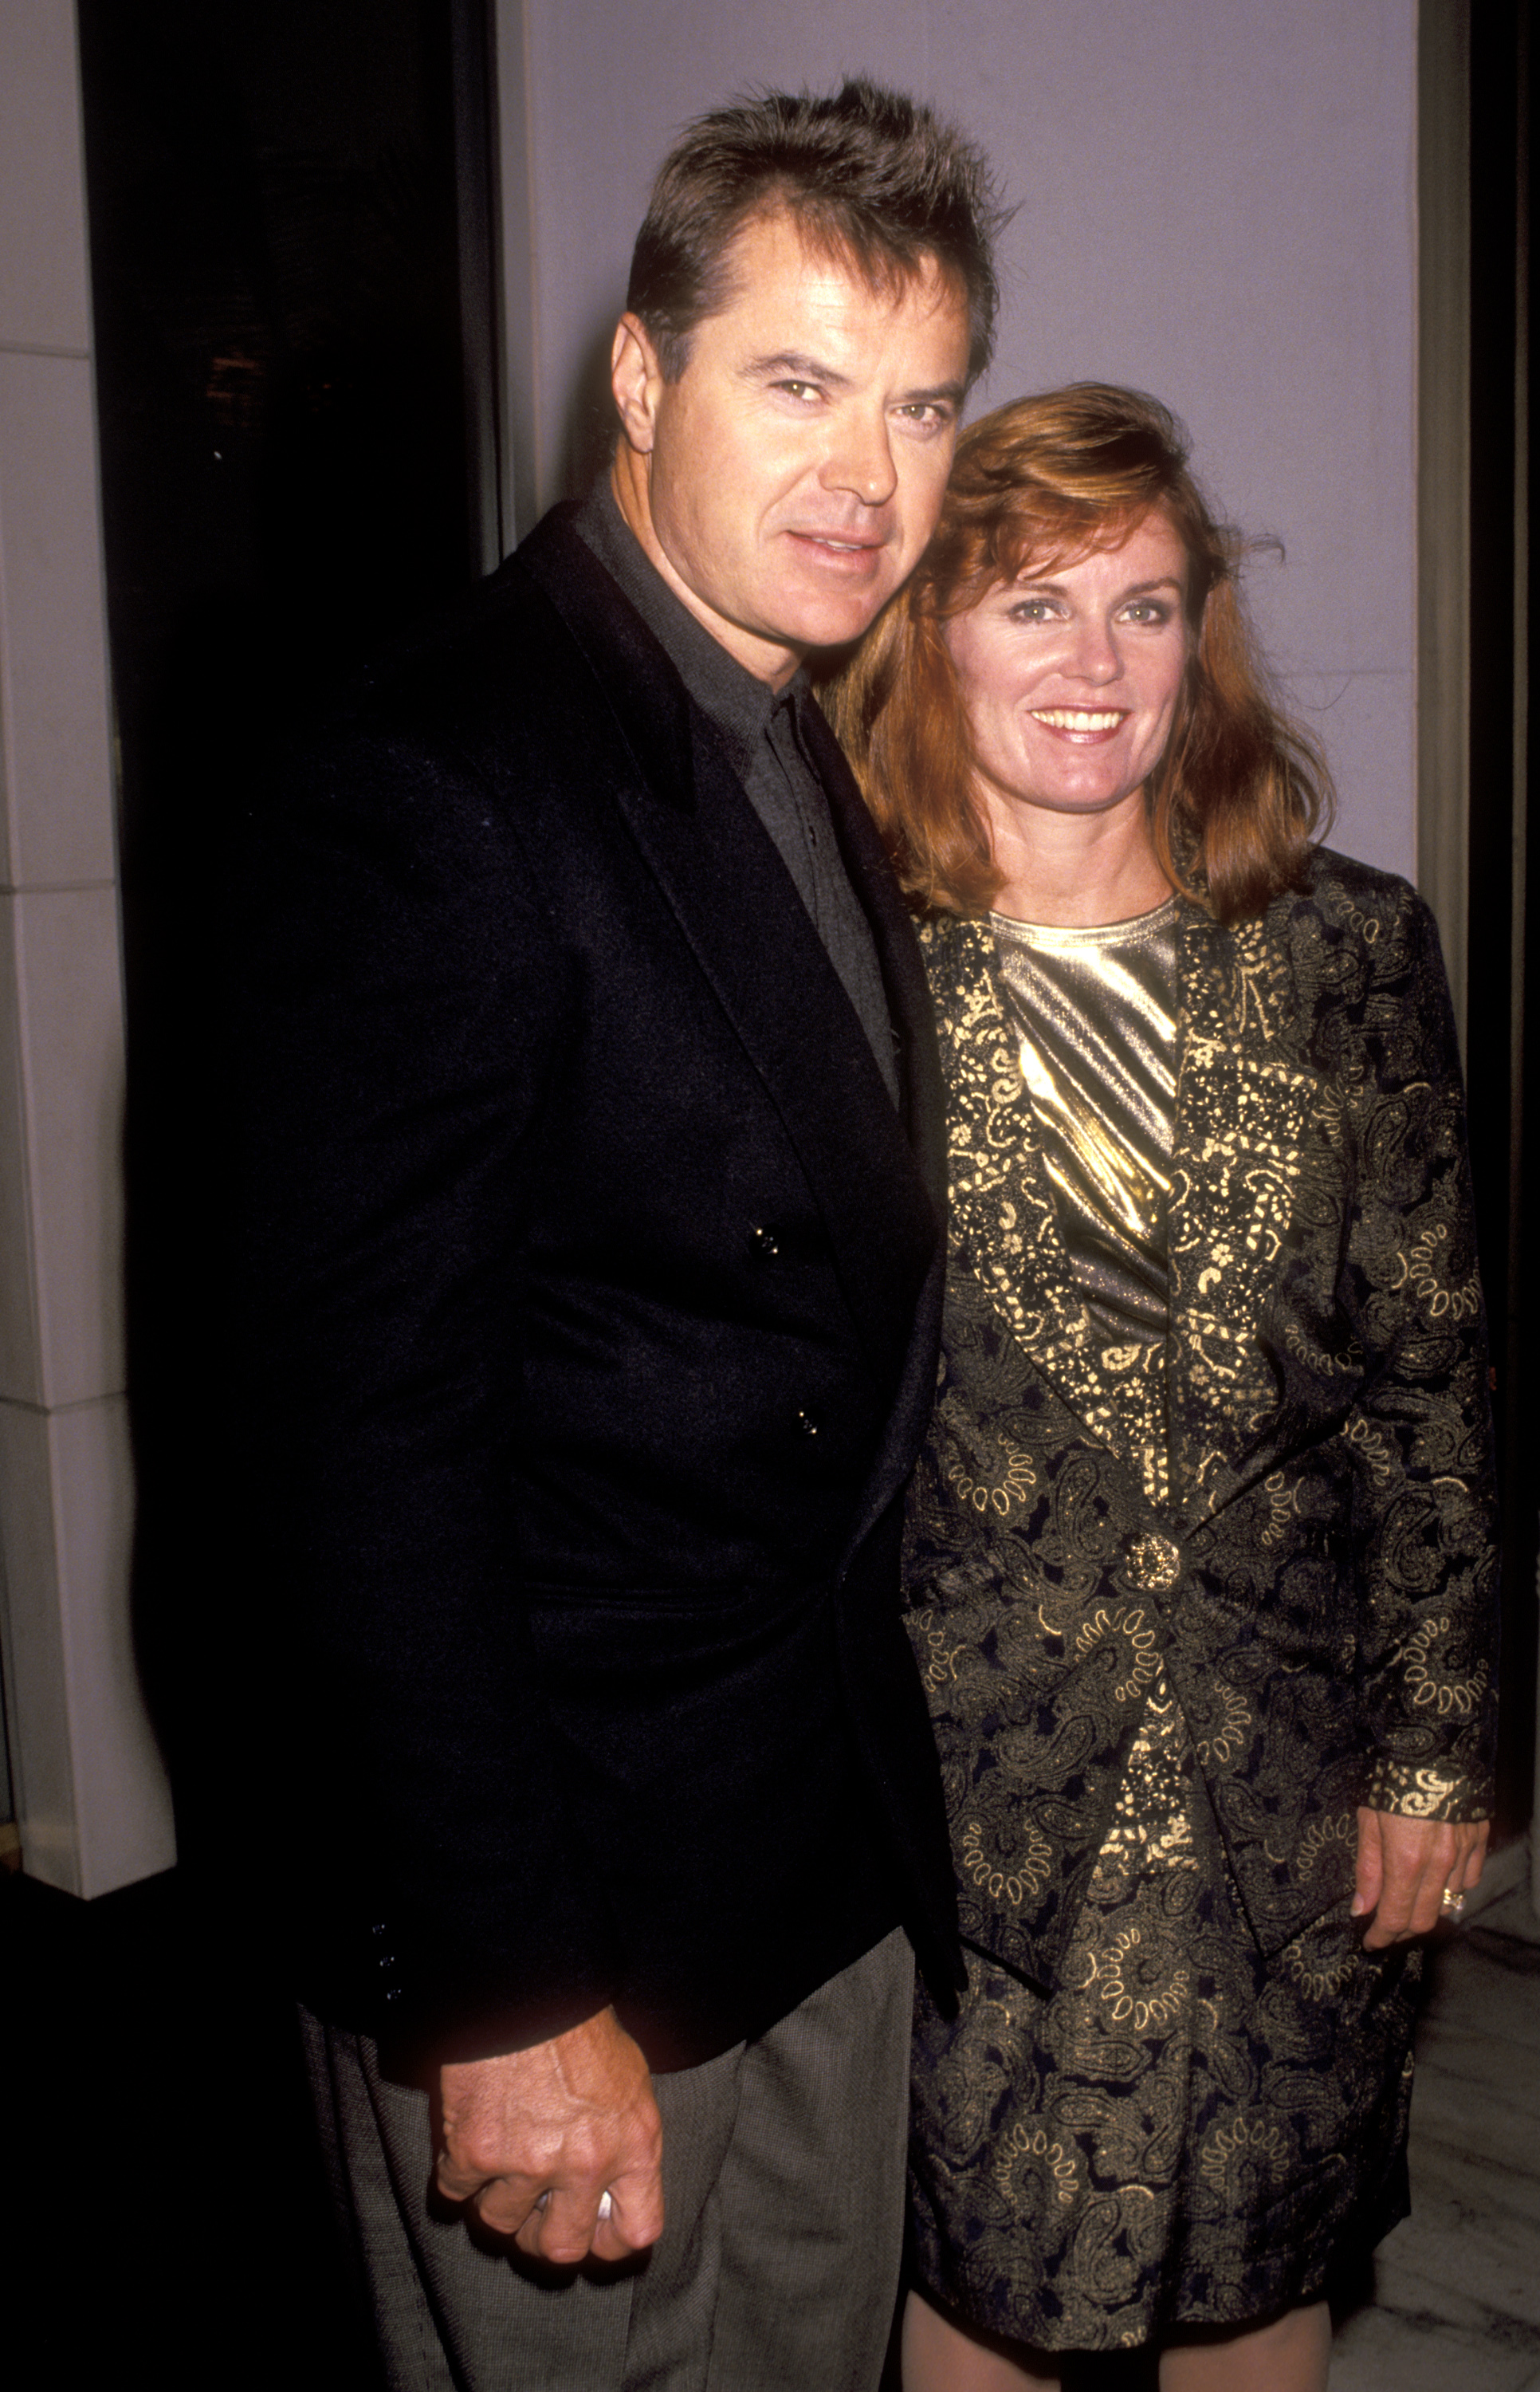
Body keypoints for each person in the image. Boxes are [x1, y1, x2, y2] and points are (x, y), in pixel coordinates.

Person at [229, 81, 1004, 2392]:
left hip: (800, 1853)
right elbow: (351, 1456)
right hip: (569, 1918)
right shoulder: (434, 780)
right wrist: (501, 1988)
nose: (867, 474)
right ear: (642, 381)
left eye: (920, 405)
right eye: (794, 384)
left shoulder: (788, 733)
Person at [825, 385, 1499, 2390]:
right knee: (976, 2265)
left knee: (1259, 2251)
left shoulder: (1345, 952)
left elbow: (1430, 1379)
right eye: (1033, 606)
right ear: (932, 632)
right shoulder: (845, 969)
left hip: (1282, 1756)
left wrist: (1437, 1748)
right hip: (967, 1796)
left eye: (1143, 607)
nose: (1095, 667)